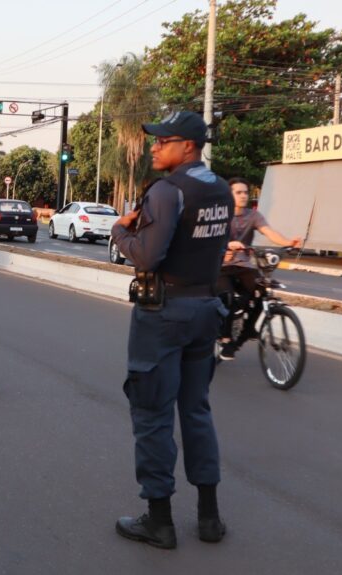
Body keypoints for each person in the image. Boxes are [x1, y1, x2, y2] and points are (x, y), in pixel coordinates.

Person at [109, 111, 234, 550]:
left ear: (189, 146)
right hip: (206, 309)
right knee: (196, 410)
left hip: (163, 314)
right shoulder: (222, 190)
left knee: (152, 413)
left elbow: (147, 256)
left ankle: (159, 522)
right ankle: (209, 519)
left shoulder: (167, 191)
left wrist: (119, 232)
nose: (155, 146)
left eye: (165, 141)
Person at [216, 177, 302, 360]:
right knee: (227, 297)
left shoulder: (253, 216)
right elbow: (212, 240)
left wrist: (289, 242)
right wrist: (227, 246)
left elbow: (269, 232)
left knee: (262, 287)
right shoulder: (221, 215)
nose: (243, 196)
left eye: (246, 192)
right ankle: (226, 340)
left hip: (244, 266)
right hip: (221, 266)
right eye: (238, 192)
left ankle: (248, 329)